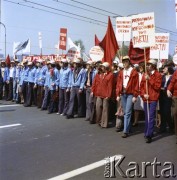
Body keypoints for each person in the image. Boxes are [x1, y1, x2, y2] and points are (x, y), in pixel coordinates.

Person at [116, 56, 139, 138]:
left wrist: (135, 95)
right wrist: (118, 94)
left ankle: (125, 131)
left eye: (126, 61)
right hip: (123, 93)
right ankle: (128, 127)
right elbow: (118, 84)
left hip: (130, 94)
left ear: (129, 62)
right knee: (126, 112)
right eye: (123, 62)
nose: (124, 63)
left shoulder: (134, 72)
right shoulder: (121, 72)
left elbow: (136, 85)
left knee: (128, 112)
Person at [140, 59, 162, 143]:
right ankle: (147, 132)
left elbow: (157, 87)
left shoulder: (158, 75)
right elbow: (141, 87)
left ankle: (149, 135)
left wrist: (149, 79)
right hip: (146, 98)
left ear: (153, 66)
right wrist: (143, 95)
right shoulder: (145, 74)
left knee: (151, 116)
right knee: (147, 116)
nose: (147, 66)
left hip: (153, 98)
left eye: (149, 65)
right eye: (147, 65)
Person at [95, 62, 113, 128]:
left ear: (106, 68)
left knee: (105, 109)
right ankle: (99, 121)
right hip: (99, 93)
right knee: (98, 107)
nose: (101, 68)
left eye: (103, 67)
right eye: (101, 67)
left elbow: (110, 86)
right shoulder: (100, 74)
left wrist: (109, 95)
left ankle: (104, 123)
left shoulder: (110, 75)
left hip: (106, 94)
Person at [159, 65, 174, 133]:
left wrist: (164, 88)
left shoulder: (172, 77)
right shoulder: (163, 76)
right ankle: (168, 127)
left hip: (168, 95)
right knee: (162, 111)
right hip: (161, 95)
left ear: (169, 69)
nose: (163, 69)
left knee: (166, 111)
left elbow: (172, 86)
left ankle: (166, 127)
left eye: (165, 68)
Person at [133, 62, 145, 126]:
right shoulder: (137, 74)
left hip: (144, 93)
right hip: (138, 92)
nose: (140, 68)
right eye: (139, 67)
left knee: (145, 108)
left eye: (141, 67)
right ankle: (135, 121)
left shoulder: (146, 74)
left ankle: (147, 121)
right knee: (136, 108)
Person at [167, 68, 177, 144]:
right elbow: (172, 82)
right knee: (175, 114)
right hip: (176, 96)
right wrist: (168, 90)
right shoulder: (176, 72)